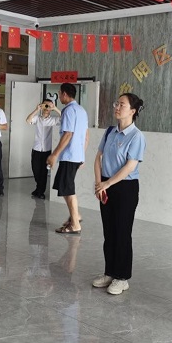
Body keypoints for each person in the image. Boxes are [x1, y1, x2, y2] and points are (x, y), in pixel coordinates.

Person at [93, 93, 146, 295]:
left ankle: (122, 278)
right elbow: (98, 158)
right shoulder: (109, 132)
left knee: (122, 232)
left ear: (132, 111)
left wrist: (107, 183)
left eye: (122, 104)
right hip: (105, 185)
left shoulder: (136, 136)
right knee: (109, 231)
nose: (117, 107)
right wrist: (99, 183)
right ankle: (110, 272)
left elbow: (130, 166)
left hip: (125, 188)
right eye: (117, 103)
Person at [47, 83, 89, 235]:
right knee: (64, 186)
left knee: (68, 189)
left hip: (69, 156)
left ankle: (75, 224)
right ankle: (75, 216)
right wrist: (82, 155)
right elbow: (86, 135)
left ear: (64, 94)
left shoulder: (68, 110)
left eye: (59, 93)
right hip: (76, 155)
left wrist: (54, 154)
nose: (59, 96)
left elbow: (68, 134)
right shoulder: (81, 110)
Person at [26, 99, 61, 199]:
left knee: (43, 172)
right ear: (41, 106)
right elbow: (28, 120)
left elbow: (65, 118)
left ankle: (40, 191)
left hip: (47, 150)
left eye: (49, 106)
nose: (46, 108)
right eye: (45, 105)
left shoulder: (53, 120)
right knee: (35, 170)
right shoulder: (37, 118)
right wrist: (36, 110)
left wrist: (55, 108)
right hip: (36, 149)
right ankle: (38, 188)